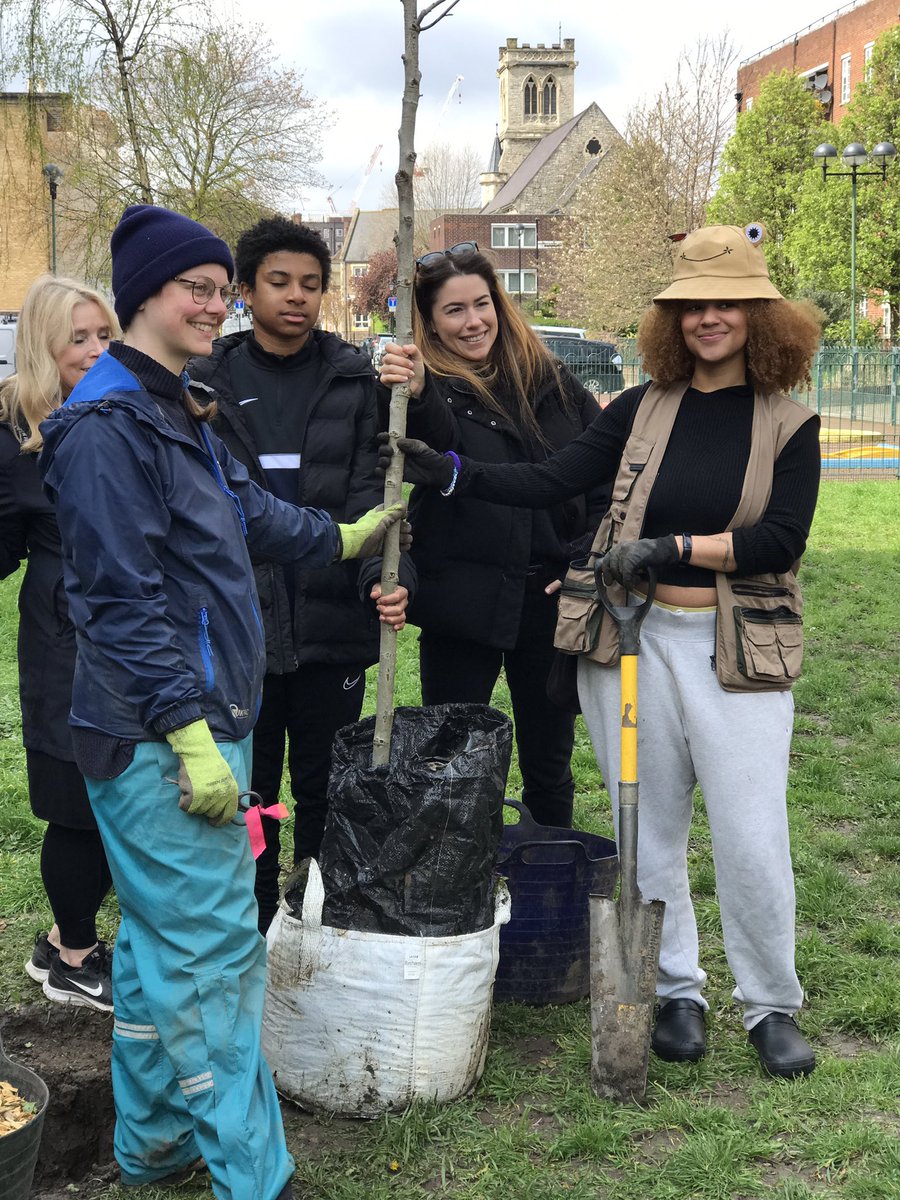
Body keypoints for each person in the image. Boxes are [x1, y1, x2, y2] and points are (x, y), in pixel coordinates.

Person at [381, 225, 823, 1079]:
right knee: (646, 830)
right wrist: (451, 473)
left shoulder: (788, 424)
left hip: (735, 653)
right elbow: (552, 478)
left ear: (760, 316)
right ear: (674, 319)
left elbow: (779, 538)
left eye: (727, 303)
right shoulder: (642, 406)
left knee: (751, 834)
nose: (709, 319)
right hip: (631, 643)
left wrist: (673, 550)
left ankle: (771, 1004)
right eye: (693, 306)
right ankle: (676, 991)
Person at [39, 204, 405, 1199]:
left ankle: (151, 1146)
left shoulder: (178, 406)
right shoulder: (105, 426)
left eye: (216, 287)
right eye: (191, 288)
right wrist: (190, 736)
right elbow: (117, 601)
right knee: (214, 958)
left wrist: (339, 535)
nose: (214, 302)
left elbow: (246, 512)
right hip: (163, 736)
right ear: (140, 302)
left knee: (166, 948)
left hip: (206, 722)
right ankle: (255, 1175)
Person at [188, 215, 415, 933]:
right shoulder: (203, 383)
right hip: (240, 626)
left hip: (330, 623)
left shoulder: (355, 379)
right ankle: (252, 917)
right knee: (253, 787)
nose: (297, 297)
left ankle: (314, 911)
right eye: (279, 282)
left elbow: (370, 497)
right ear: (246, 290)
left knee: (323, 781)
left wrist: (377, 579)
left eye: (311, 285)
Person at [377, 243, 609, 829]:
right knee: (453, 764)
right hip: (462, 604)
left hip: (550, 603)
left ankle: (546, 880)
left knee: (549, 766)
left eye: (482, 304)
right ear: (428, 322)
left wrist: (583, 560)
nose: (473, 321)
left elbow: (602, 476)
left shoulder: (552, 381)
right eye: (453, 311)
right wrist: (422, 390)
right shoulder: (428, 394)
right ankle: (457, 889)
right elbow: (436, 443)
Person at [0, 276, 117, 1012]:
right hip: (61, 630)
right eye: (79, 338)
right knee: (77, 797)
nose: (97, 350)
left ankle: (62, 936)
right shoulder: (15, 432)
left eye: (105, 335)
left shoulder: (119, 409)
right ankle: (73, 952)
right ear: (44, 345)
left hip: (126, 628)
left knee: (116, 790)